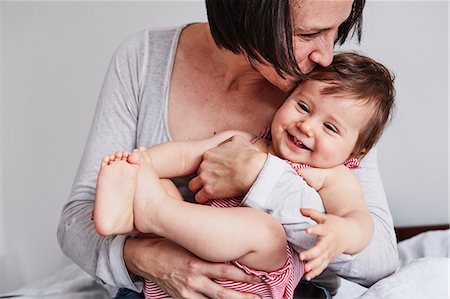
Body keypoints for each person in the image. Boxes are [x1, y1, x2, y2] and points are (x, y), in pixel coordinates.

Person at [57, 1, 398, 298]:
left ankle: (157, 211)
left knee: (263, 233)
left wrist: (260, 177)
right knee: (152, 182)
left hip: (273, 285)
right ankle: (156, 211)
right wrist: (146, 256)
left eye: (337, 30)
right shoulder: (143, 58)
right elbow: (76, 222)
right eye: (308, 34)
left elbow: (378, 256)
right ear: (250, 11)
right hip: (156, 285)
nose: (325, 55)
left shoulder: (334, 96)